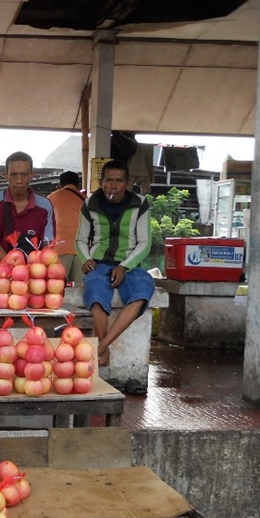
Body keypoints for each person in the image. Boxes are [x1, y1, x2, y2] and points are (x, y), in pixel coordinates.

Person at [75, 159, 154, 372]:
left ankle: (101, 346)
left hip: (131, 263)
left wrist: (125, 267)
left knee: (143, 291)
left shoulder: (140, 203)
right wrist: (87, 259)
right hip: (99, 264)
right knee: (96, 294)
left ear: (127, 183)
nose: (113, 185)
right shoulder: (90, 204)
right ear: (101, 182)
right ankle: (105, 349)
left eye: (119, 181)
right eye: (109, 180)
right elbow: (80, 240)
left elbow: (145, 243)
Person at [0, 151, 55, 297]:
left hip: (34, 270)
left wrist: (36, 271)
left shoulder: (45, 206)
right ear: (5, 175)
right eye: (13, 175)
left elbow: (47, 245)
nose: (19, 180)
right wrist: (14, 270)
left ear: (32, 175)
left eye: (24, 174)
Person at [47, 170, 86, 282]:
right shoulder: (86, 200)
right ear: (78, 186)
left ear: (59, 186)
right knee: (78, 291)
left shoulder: (52, 197)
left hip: (60, 247)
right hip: (82, 250)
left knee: (57, 287)